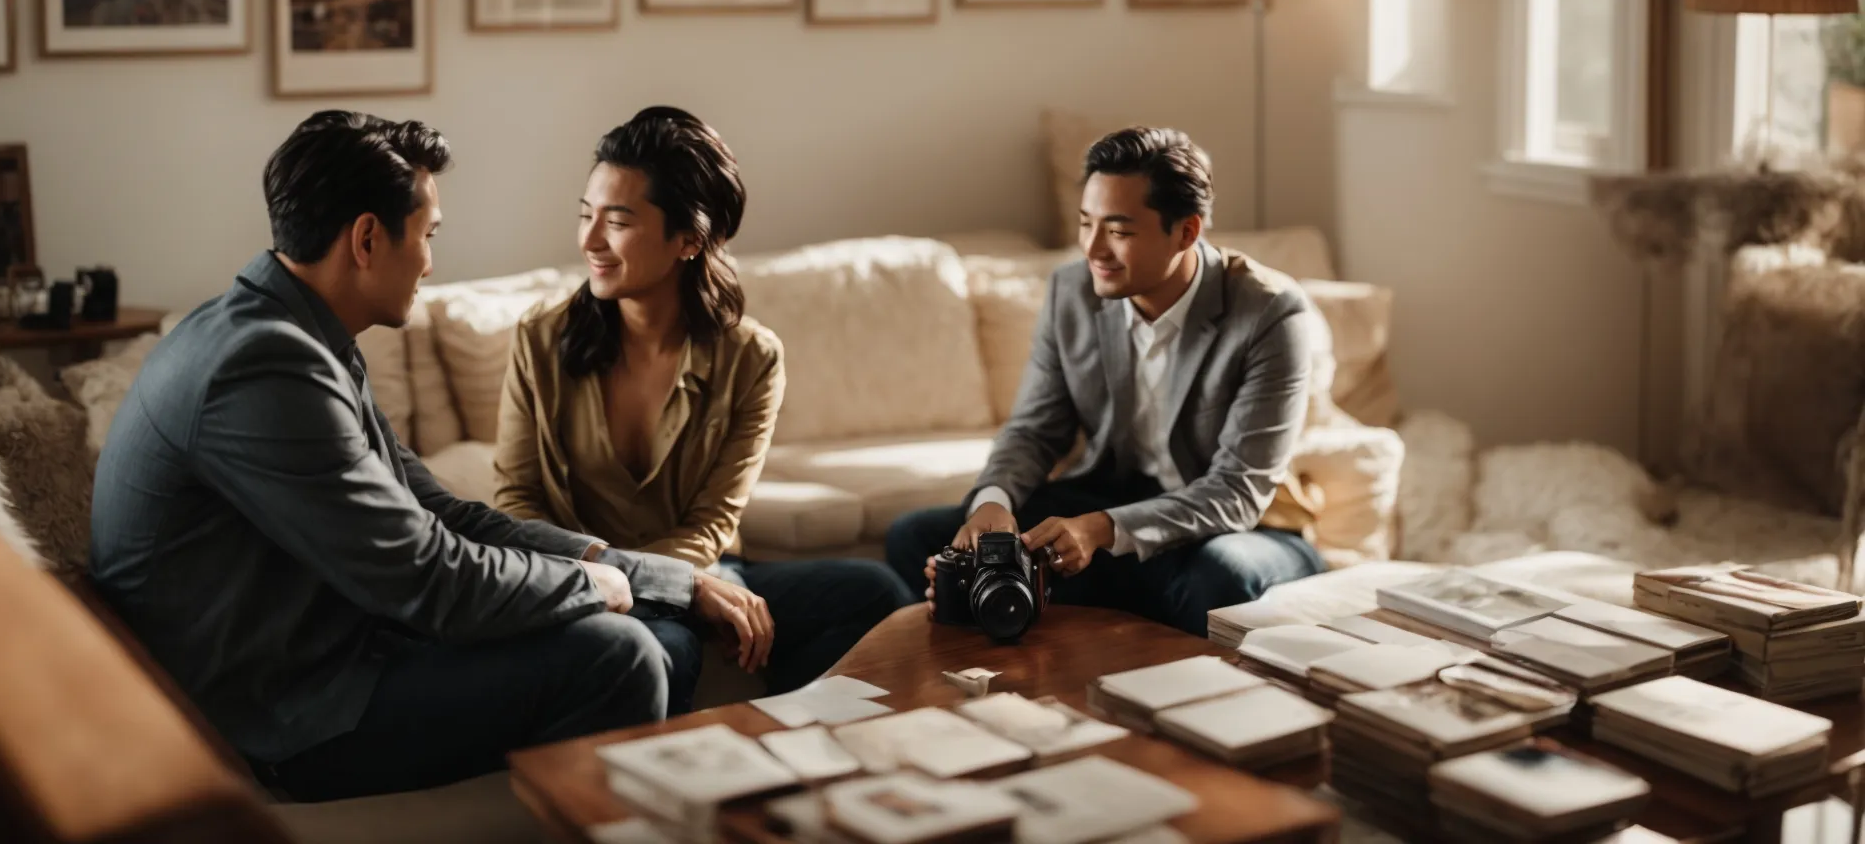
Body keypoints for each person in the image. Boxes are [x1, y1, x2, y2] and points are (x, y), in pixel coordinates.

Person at [90, 111, 747, 803]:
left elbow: (439, 512)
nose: (432, 262)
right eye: (428, 236)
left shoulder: (290, 335)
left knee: (653, 629)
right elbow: (428, 579)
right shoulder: (265, 366)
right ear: (368, 239)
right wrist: (593, 588)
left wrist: (641, 575)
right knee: (618, 657)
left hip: (329, 657)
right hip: (278, 718)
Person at [494, 107, 912, 714]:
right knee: (664, 646)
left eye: (617, 221)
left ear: (689, 238)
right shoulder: (539, 340)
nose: (589, 242)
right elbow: (516, 505)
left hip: (702, 565)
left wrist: (693, 583)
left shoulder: (751, 357)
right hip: (584, 581)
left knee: (873, 590)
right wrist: (658, 586)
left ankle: (794, 747)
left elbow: (714, 521)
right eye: (586, 215)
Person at [884, 127, 1327, 637]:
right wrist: (993, 503)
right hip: (1113, 501)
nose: (1093, 248)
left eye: (1118, 230)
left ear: (1186, 232)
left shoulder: (1271, 313)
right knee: (921, 537)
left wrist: (1101, 529)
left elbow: (1236, 492)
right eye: (1085, 223)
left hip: (1238, 527)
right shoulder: (1071, 290)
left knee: (1216, 580)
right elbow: (1034, 430)